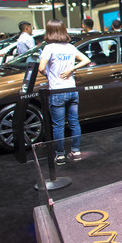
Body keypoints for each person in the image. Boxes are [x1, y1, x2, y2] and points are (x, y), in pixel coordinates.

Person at [38, 19, 91, 165]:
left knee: (59, 125)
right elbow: (86, 59)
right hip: (72, 89)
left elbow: (41, 68)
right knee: (74, 122)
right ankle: (76, 151)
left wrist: (49, 75)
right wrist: (71, 69)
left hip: (57, 91)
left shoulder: (49, 48)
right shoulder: (69, 47)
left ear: (49, 31)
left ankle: (60, 155)